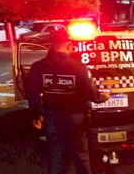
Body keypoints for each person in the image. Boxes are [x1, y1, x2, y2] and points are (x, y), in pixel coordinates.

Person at [27, 30, 110, 174]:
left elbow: (32, 94)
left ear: (52, 46)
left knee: (55, 157)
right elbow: (93, 96)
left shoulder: (37, 67)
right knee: (81, 157)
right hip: (76, 120)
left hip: (52, 119)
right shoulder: (79, 68)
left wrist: (35, 115)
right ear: (69, 45)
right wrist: (105, 97)